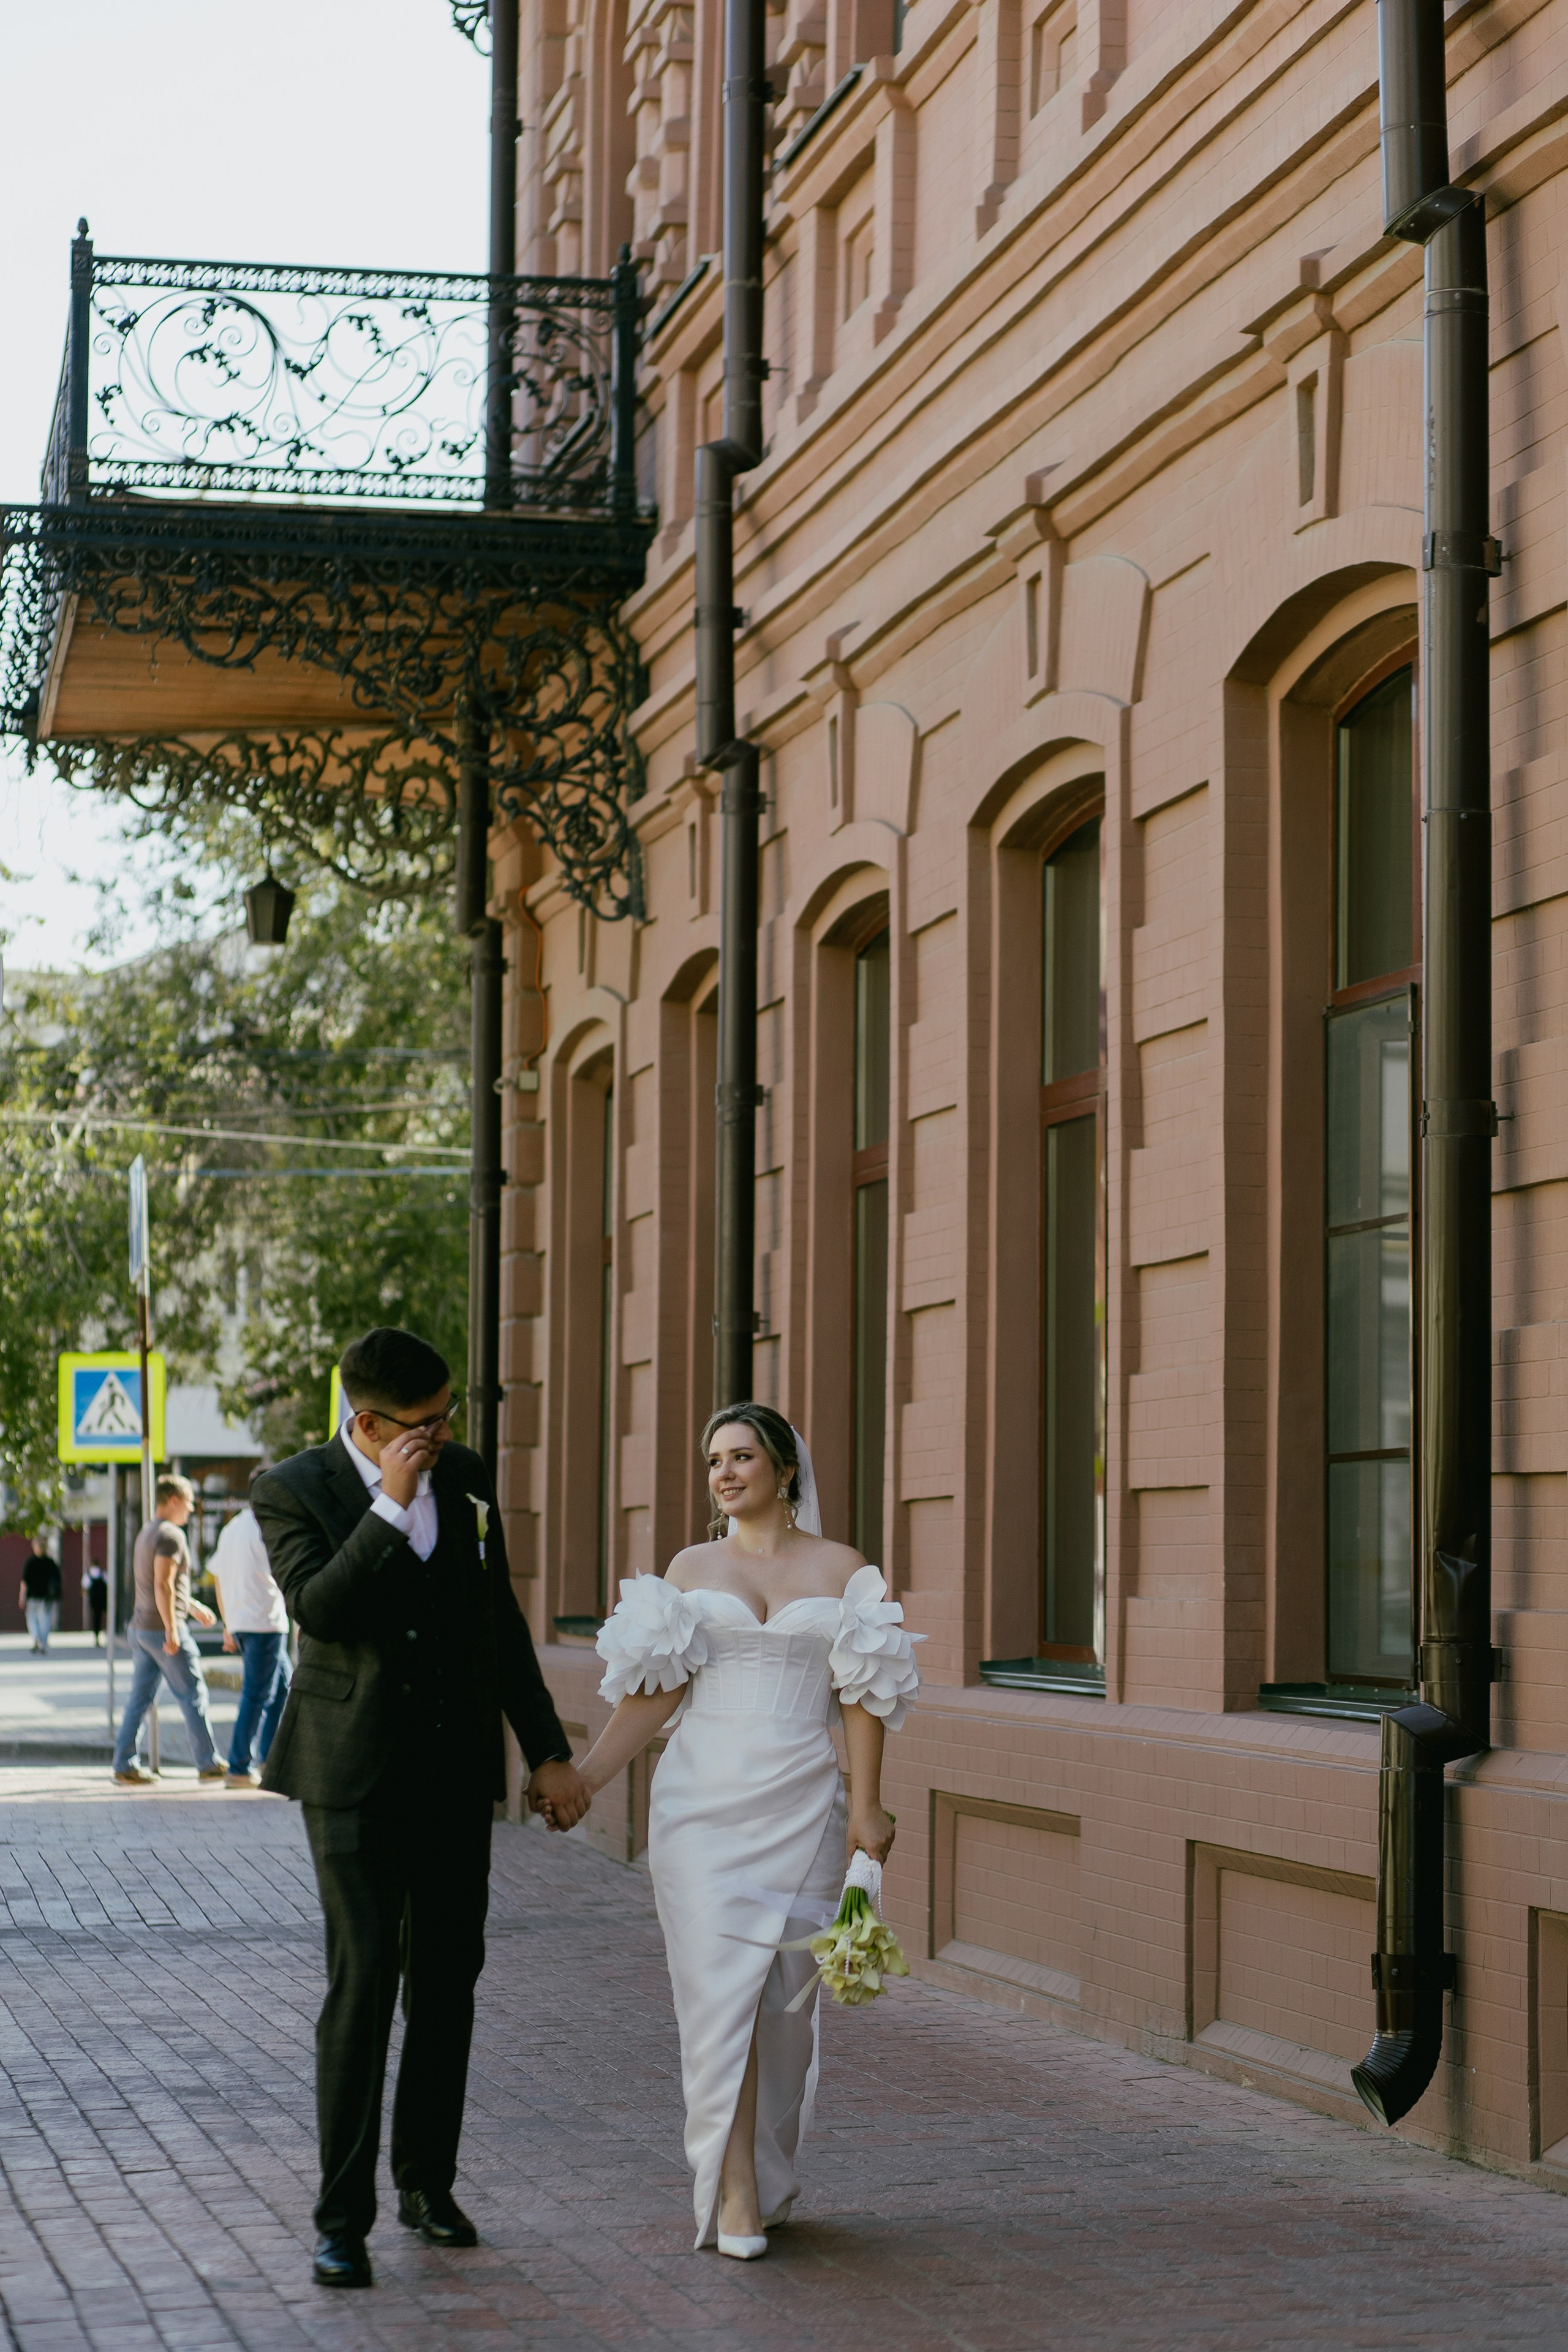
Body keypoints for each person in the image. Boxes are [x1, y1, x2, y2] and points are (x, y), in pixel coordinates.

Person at [250, 1325, 592, 2293]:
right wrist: (391, 1506)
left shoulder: (468, 1475)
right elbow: (321, 1609)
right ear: (368, 1424)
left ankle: (426, 2185)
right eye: (424, 1424)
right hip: (350, 1774)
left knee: (447, 1983)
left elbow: (500, 1620)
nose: (443, 1434)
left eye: (448, 1416)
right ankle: (340, 2223)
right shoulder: (293, 1488)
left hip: (452, 1773)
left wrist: (548, 1749)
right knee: (363, 1984)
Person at [568, 1403, 919, 2259]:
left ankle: (765, 2171)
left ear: (785, 1469)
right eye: (714, 1460)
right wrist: (584, 1779)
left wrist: (866, 1805)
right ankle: (733, 2197)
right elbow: (654, 1692)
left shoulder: (844, 1569)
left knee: (784, 2011)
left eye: (742, 1457)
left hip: (803, 1802)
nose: (723, 1473)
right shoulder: (690, 1568)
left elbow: (862, 1694)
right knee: (719, 1996)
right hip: (699, 1809)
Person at [111, 1474, 225, 1786]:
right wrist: (172, 1629)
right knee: (193, 1694)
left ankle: (124, 1765)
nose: (190, 1509)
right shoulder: (172, 1535)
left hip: (141, 1628)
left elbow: (161, 1584)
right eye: (188, 1503)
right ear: (174, 1500)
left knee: (140, 1700)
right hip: (162, 1631)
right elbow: (162, 1584)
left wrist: (193, 1607)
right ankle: (208, 1763)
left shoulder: (148, 1531)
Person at [209, 1504, 293, 1787]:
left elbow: (217, 1576)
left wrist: (228, 1622)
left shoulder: (232, 1527)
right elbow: (287, 1574)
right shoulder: (267, 1526)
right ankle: (239, 1767)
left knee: (281, 1689)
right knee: (256, 1696)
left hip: (245, 1622)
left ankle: (268, 1760)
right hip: (264, 1623)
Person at [20, 1538, 62, 1653]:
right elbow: (58, 1580)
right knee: (45, 1620)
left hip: (33, 1596)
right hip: (46, 1597)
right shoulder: (50, 1563)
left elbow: (24, 1582)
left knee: (32, 1618)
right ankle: (42, 1642)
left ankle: (36, 1638)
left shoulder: (30, 1562)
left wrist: (22, 1597)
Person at [83, 1556, 108, 1646]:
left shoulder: (89, 1574)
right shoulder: (103, 1573)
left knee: (96, 1618)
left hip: (94, 1600)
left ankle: (97, 1635)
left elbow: (85, 1587)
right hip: (103, 1599)